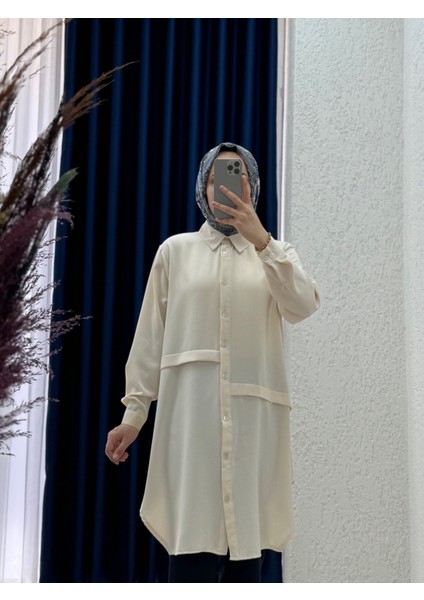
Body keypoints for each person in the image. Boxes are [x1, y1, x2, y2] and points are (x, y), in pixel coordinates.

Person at [105, 142, 320, 583]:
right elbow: (150, 338)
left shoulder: (277, 254)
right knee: (191, 553)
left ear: (252, 185)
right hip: (190, 422)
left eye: (238, 177)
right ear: (202, 187)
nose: (225, 188)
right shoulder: (174, 252)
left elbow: (302, 306)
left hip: (252, 426)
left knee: (248, 558)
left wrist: (262, 241)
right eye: (214, 178)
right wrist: (134, 413)